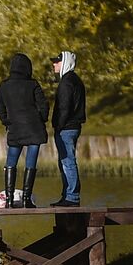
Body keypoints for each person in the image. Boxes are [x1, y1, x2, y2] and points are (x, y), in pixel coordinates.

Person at [0, 53, 49, 208]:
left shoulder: (5, 85)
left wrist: (6, 121)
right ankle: (26, 199)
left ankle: (10, 200)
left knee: (11, 161)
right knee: (30, 163)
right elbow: (43, 105)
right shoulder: (32, 84)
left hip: (15, 128)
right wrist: (41, 119)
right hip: (34, 128)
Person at [49, 50, 86, 206]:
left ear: (65, 63)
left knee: (67, 162)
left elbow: (64, 108)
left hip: (66, 127)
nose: (54, 64)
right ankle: (68, 195)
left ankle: (71, 197)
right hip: (74, 126)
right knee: (66, 161)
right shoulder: (76, 80)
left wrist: (57, 125)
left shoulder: (66, 82)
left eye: (57, 61)